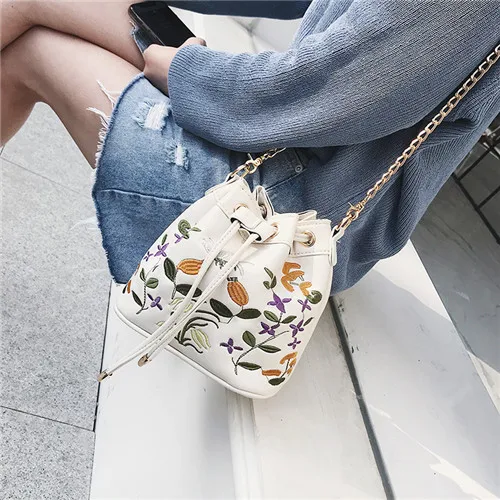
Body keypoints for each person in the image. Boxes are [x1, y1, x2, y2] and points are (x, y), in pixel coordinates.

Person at [2, 0, 499, 294]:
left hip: (280, 218)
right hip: (289, 162)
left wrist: (188, 72)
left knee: (32, 49)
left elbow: (335, 89)